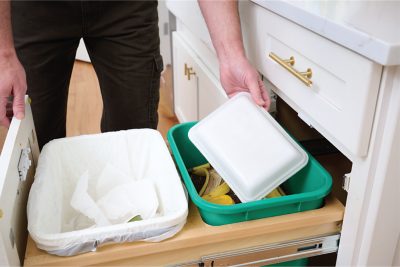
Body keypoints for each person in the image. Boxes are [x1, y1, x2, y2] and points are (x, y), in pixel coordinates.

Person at [0, 1, 270, 149]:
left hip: (125, 8)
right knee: (32, 142)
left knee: (134, 137)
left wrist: (231, 55)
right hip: (35, 8)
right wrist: (4, 56)